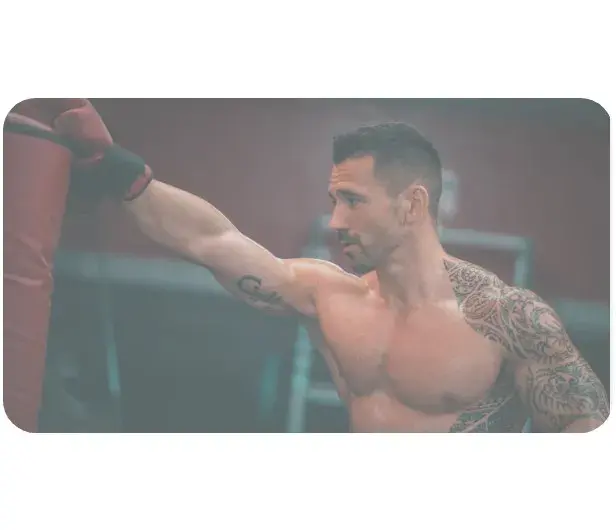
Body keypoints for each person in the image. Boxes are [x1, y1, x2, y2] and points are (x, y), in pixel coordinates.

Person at [49, 99, 608, 433]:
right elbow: (213, 240)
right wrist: (125, 174)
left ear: (412, 205)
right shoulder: (330, 296)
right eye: (334, 201)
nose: (336, 221)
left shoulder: (510, 317)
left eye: (353, 201)